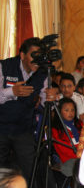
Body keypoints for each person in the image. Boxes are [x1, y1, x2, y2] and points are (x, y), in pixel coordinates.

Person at [0, 37, 57, 183]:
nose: (36, 60)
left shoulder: (42, 73)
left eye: (40, 55)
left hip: (23, 128)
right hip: (1, 126)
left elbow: (45, 98)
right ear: (22, 55)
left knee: (31, 168)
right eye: (33, 55)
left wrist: (51, 97)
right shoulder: (4, 66)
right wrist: (12, 91)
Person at [52, 97, 82, 163]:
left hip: (83, 156)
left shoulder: (79, 124)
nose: (70, 113)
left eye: (72, 110)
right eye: (66, 110)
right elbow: (63, 150)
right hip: (69, 160)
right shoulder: (56, 130)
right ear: (59, 111)